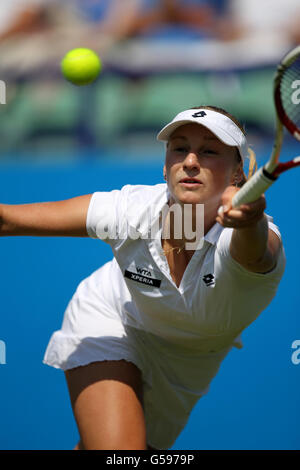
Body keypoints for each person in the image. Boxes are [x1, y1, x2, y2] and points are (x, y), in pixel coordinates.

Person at [0, 106, 286, 450]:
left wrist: (250, 219)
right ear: (166, 165)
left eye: (209, 151)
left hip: (187, 363)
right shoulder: (131, 210)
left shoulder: (249, 238)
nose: (191, 161)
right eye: (179, 148)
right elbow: (9, 220)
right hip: (112, 316)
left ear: (237, 171)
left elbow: (256, 252)